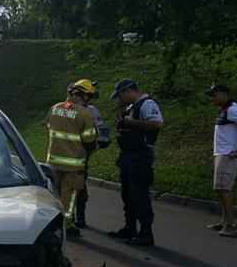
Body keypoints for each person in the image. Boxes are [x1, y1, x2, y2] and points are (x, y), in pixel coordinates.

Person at [108, 79, 164, 246]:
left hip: (140, 156)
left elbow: (157, 124)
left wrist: (131, 123)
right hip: (128, 155)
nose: (120, 100)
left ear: (129, 91)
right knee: (127, 194)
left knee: (139, 195)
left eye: (120, 96)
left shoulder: (147, 104)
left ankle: (146, 234)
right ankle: (130, 228)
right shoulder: (132, 107)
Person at [46, 83, 98, 237]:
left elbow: (48, 127)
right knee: (69, 197)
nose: (87, 100)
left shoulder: (54, 108)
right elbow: (89, 139)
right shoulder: (84, 113)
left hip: (53, 161)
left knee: (54, 194)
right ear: (79, 94)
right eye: (87, 96)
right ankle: (66, 227)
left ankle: (52, 224)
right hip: (74, 165)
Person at [71, 79, 112, 228]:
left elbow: (101, 129)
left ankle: (79, 219)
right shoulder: (66, 110)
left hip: (81, 155)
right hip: (68, 155)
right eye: (88, 95)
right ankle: (69, 220)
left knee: (79, 188)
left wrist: (102, 140)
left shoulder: (91, 110)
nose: (89, 98)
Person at [206, 85, 237, 237]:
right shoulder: (224, 109)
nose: (212, 98)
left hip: (229, 154)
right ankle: (225, 221)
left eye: (214, 95)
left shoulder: (233, 109)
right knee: (220, 188)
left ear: (224, 94)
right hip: (221, 153)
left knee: (224, 188)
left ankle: (232, 225)